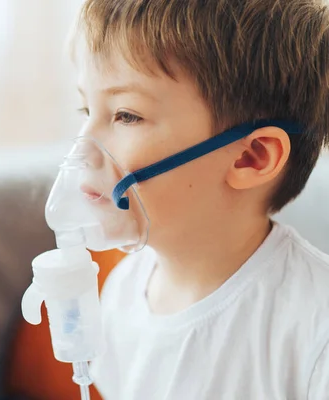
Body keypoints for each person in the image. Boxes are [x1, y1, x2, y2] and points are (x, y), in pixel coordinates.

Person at [68, 0, 329, 398]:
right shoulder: (122, 292)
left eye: (126, 115)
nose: (84, 150)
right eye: (86, 109)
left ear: (250, 157)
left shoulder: (314, 327)